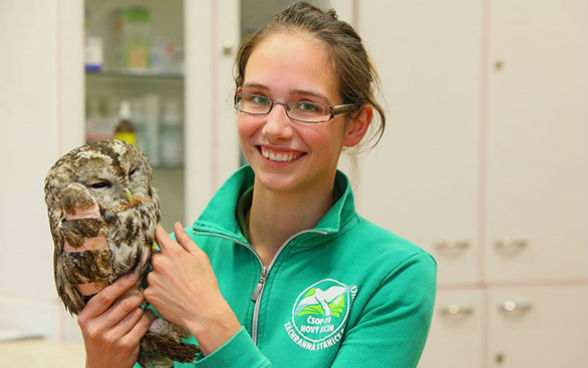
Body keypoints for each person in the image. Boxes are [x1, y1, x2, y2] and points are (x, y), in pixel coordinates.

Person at [77, 2, 436, 367]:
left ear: (356, 125)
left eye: (307, 106)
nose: (275, 128)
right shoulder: (172, 264)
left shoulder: (394, 274)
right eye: (257, 98)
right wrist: (103, 362)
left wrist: (210, 319)